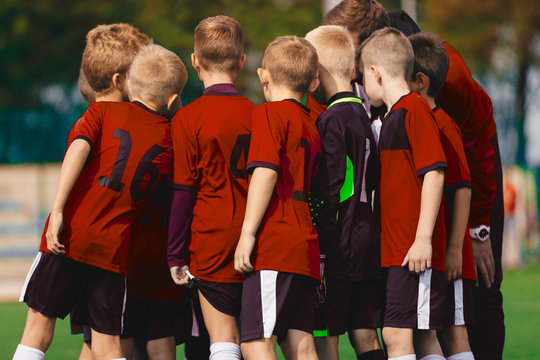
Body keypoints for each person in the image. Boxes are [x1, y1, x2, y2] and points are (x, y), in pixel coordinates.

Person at [324, 3, 505, 357]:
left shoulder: (430, 95)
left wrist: (476, 229)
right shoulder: (394, 101)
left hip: (439, 218)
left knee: (475, 297)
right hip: (404, 238)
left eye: (351, 54)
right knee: (421, 332)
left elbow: (463, 156)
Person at [13, 43, 187, 360]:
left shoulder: (103, 110)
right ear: (173, 100)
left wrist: (57, 209)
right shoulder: (171, 137)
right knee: (108, 347)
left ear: (129, 84)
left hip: (70, 235)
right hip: (113, 251)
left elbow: (79, 148)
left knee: (37, 331)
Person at [167, 15, 255, 360]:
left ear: (194, 62)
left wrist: (175, 252)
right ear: (242, 61)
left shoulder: (187, 118)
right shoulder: (258, 113)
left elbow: (183, 191)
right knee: (256, 341)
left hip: (210, 238)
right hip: (256, 237)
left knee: (222, 339)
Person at [360, 27, 448, 360]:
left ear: (374, 73)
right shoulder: (394, 116)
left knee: (396, 334)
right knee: (422, 337)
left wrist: (423, 238)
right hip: (400, 251)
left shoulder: (414, 111)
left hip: (413, 253)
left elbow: (435, 172)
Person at [234, 35, 321, 360]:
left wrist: (247, 233)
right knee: (300, 344)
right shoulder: (311, 123)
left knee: (256, 342)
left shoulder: (269, 114)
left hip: (275, 246)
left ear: (263, 75)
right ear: (313, 82)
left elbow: (266, 172)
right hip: (305, 246)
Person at [304, 25, 385, 360]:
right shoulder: (363, 116)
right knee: (365, 333)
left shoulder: (331, 120)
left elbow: (335, 190)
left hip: (340, 245)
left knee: (326, 337)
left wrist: (321, 252)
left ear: (315, 70)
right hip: (367, 240)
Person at [408, 31, 476, 360]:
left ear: (418, 81)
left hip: (450, 252)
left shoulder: (444, 125)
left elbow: (462, 188)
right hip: (434, 252)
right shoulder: (417, 122)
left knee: (454, 331)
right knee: (430, 329)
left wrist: (454, 249)